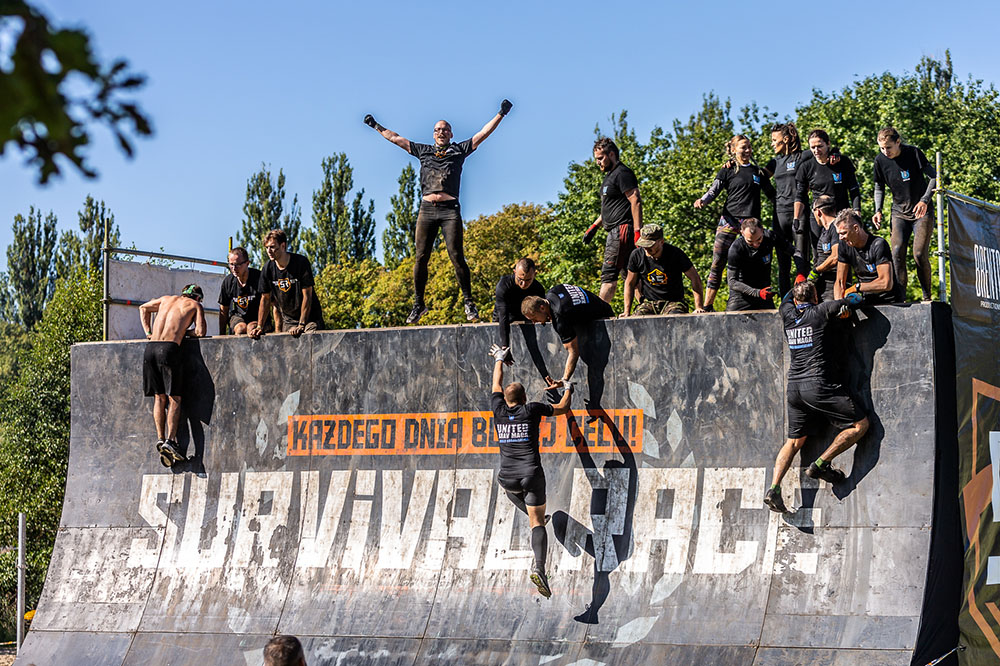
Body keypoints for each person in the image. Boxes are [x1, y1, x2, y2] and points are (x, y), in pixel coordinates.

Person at [364, 100, 513, 324]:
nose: (441, 132)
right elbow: (395, 138)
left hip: (449, 210)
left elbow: (483, 133)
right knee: (420, 257)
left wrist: (501, 113)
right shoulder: (423, 151)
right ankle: (418, 304)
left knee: (456, 256)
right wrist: (375, 125)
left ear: (451, 134)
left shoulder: (459, 150)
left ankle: (469, 302)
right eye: (437, 130)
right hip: (427, 210)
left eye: (445, 129)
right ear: (433, 134)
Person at [764, 280, 869, 513]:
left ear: (795, 300)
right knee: (860, 425)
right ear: (815, 298)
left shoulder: (787, 313)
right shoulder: (821, 310)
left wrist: (803, 281)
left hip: (794, 388)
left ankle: (773, 489)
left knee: (794, 441)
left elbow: (785, 299)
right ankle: (821, 464)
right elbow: (857, 300)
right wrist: (848, 300)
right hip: (818, 385)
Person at [487, 344, 573, 598]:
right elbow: (563, 409)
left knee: (512, 492)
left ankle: (537, 517)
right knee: (537, 522)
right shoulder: (531, 409)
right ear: (524, 398)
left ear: (506, 399)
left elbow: (496, 384)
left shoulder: (498, 409)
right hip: (531, 474)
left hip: (508, 477)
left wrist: (499, 359)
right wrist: (568, 388)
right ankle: (540, 568)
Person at [694, 134, 775, 310]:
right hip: (729, 221)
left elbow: (772, 195)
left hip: (751, 225)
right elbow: (714, 190)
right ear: (733, 149)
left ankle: (758, 299)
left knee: (754, 263)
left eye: (749, 147)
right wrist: (703, 200)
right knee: (718, 262)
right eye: (743, 147)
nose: (747, 150)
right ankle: (707, 305)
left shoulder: (757, 172)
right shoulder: (727, 170)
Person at [763, 122, 839, 295]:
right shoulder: (775, 162)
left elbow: (824, 151)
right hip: (779, 215)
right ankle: (785, 301)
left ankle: (805, 298)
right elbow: (759, 177)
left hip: (800, 214)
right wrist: (773, 197)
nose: (772, 143)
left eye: (774, 139)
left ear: (786, 139)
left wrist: (836, 153)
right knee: (783, 262)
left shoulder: (803, 156)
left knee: (801, 260)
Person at [139, 284, 207, 467]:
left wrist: (148, 332)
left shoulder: (165, 299)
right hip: (169, 349)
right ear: (198, 298)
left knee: (158, 397)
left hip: (150, 349)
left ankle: (160, 438)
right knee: (174, 398)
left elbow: (143, 308)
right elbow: (200, 332)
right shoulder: (195, 305)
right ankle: (170, 440)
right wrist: (184, 331)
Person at [872, 127, 937, 301]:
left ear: (898, 142)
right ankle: (901, 298)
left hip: (921, 211)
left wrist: (924, 200)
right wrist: (878, 210)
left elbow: (934, 178)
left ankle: (927, 297)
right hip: (899, 213)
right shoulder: (880, 160)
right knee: (896, 251)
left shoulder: (913, 153)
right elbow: (879, 187)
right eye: (882, 148)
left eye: (888, 147)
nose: (885, 152)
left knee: (919, 254)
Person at [520, 284, 613, 389]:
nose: (534, 322)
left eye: (534, 318)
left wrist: (564, 380)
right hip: (604, 307)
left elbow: (574, 351)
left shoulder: (560, 318)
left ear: (542, 308)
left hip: (605, 322)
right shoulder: (553, 291)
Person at [794, 129, 860, 264]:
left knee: (844, 252)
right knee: (819, 253)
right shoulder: (806, 166)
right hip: (819, 217)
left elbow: (854, 189)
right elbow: (800, 195)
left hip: (841, 214)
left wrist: (857, 210)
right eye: (812, 147)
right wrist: (796, 218)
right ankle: (819, 276)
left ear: (828, 144)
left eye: (820, 146)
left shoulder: (842, 162)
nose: (816, 150)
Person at [592, 137, 642, 304]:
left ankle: (599, 313)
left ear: (611, 154)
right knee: (631, 274)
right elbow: (609, 208)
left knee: (608, 276)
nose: (598, 162)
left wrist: (638, 231)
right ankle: (646, 307)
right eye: (596, 159)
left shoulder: (622, 173)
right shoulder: (610, 176)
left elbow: (635, 200)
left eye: (600, 158)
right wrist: (593, 227)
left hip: (621, 230)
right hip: (617, 230)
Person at [251, 229, 324, 338]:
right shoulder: (267, 268)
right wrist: (259, 327)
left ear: (283, 246)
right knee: (288, 346)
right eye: (266, 247)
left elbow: (307, 296)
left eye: (272, 247)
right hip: (289, 321)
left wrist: (302, 324)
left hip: (310, 319)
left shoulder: (301, 263)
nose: (269, 251)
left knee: (309, 339)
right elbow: (265, 299)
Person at [622, 223, 707, 316]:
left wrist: (698, 307)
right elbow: (630, 283)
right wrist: (626, 311)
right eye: (643, 245)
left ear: (661, 242)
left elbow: (695, 278)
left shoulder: (676, 254)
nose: (646, 249)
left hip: (673, 302)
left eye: (650, 245)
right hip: (649, 302)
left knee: (675, 317)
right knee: (638, 317)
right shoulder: (636, 255)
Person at [725, 218, 801, 311]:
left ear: (762, 230)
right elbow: (732, 282)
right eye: (750, 242)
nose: (755, 244)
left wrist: (800, 272)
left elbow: (795, 252)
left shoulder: (770, 236)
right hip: (741, 296)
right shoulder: (736, 248)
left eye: (759, 239)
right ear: (742, 233)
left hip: (764, 293)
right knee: (729, 319)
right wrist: (757, 293)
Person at [834, 209, 904, 304]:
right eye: (839, 234)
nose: (841, 238)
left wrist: (857, 287)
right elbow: (839, 282)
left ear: (856, 228)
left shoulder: (878, 244)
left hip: (890, 302)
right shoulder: (844, 246)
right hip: (867, 301)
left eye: (843, 233)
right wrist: (839, 305)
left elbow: (886, 283)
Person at [493, 257, 546, 364]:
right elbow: (503, 316)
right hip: (504, 317)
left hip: (525, 318)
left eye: (528, 280)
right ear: (514, 272)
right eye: (520, 279)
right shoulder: (504, 285)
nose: (523, 284)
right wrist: (505, 347)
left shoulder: (538, 289)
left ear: (535, 275)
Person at [218, 246, 262, 336]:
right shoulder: (228, 281)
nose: (234, 268)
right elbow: (223, 309)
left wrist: (275, 329)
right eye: (231, 264)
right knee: (241, 328)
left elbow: (271, 303)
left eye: (237, 264)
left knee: (251, 328)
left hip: (258, 317)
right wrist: (221, 336)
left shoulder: (259, 278)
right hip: (239, 317)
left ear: (247, 263)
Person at [808, 195, 842, 302]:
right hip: (822, 286)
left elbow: (835, 257)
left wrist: (816, 271)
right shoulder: (824, 230)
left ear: (818, 212)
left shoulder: (836, 228)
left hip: (833, 287)